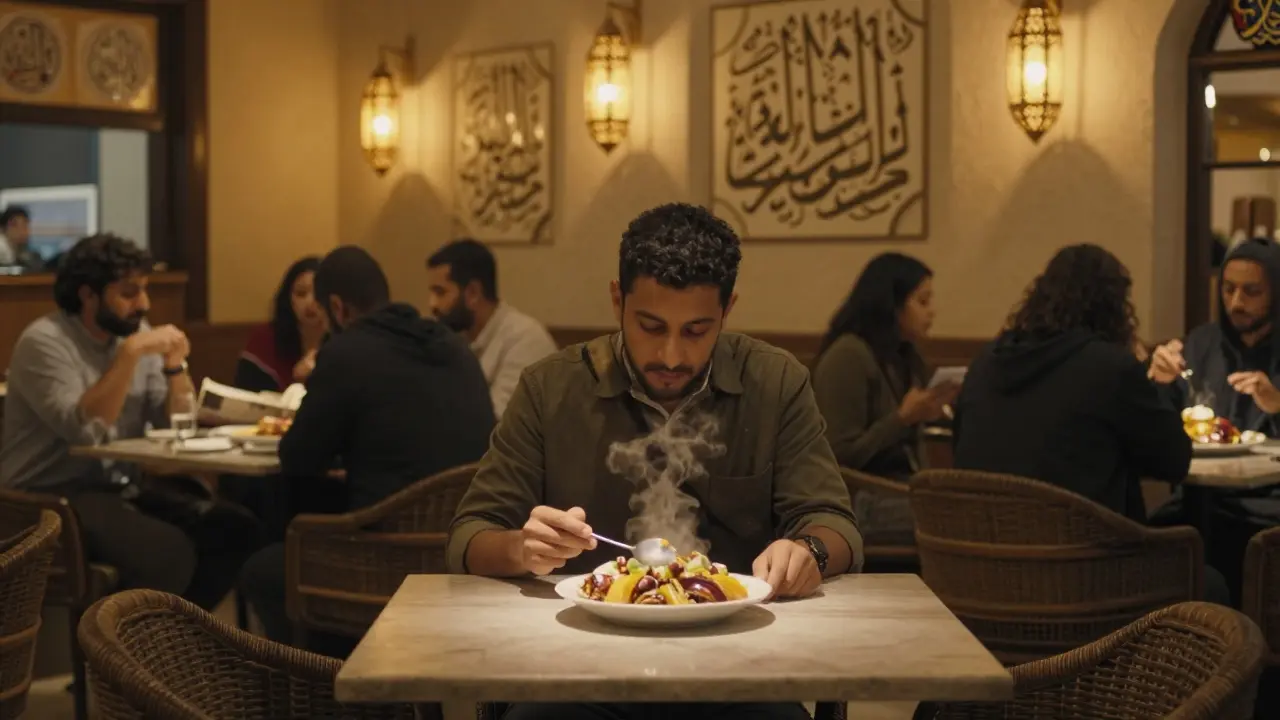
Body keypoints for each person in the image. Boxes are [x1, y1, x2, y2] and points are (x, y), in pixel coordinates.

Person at [448, 203, 862, 720]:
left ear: (727, 311)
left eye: (696, 331)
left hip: (740, 668)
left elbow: (834, 522)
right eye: (649, 326)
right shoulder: (549, 388)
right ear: (617, 299)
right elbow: (469, 536)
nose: (670, 356)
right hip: (574, 667)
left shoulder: (776, 384)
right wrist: (521, 548)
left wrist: (811, 552)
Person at [238, 246, 496, 648]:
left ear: (337, 308)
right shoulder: (453, 345)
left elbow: (298, 456)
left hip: (383, 560)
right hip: (461, 555)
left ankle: (322, 685)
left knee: (263, 568)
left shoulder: (346, 351)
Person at [0, 233, 261, 609]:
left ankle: (171, 643)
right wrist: (129, 357)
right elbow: (84, 429)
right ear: (88, 295)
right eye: (129, 293)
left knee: (235, 529)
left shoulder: (134, 335)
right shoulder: (45, 343)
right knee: (168, 553)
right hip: (47, 498)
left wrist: (175, 366)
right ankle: (129, 650)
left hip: (117, 486)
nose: (144, 303)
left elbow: (174, 421)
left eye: (144, 290)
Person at [954, 244, 1191, 521]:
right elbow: (1173, 462)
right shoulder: (1110, 367)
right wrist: (1160, 387)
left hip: (978, 549)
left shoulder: (986, 361)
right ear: (1115, 308)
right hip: (1078, 555)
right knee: (1201, 559)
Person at [1147, 239, 1280, 602]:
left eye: (1252, 291)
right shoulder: (1203, 342)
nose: (1236, 302)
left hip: (1267, 503)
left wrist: (1276, 404)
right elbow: (1161, 425)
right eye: (1228, 288)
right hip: (1199, 495)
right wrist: (1158, 381)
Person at [811, 253, 954, 544]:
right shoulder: (848, 355)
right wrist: (902, 419)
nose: (932, 312)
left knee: (961, 505)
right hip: (859, 501)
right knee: (951, 514)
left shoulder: (903, 355)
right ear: (893, 305)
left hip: (899, 492)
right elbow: (837, 456)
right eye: (922, 302)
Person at [426, 238, 557, 417]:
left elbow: (497, 427)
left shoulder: (525, 340)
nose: (431, 304)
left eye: (440, 292)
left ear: (473, 293)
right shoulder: (453, 338)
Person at [235, 256, 327, 392]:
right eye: (301, 294)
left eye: (318, 294)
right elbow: (245, 396)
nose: (310, 303)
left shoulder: (346, 340)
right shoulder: (265, 339)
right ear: (288, 299)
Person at [0, 205, 46, 272]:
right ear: (2, 229)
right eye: (14, 225)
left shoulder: (28, 254)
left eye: (25, 225)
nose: (22, 230)